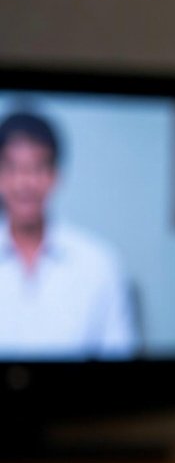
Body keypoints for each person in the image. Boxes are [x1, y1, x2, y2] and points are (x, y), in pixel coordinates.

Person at [0, 111, 138, 358]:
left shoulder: (99, 264)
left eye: (37, 168)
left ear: (55, 176)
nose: (24, 183)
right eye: (12, 168)